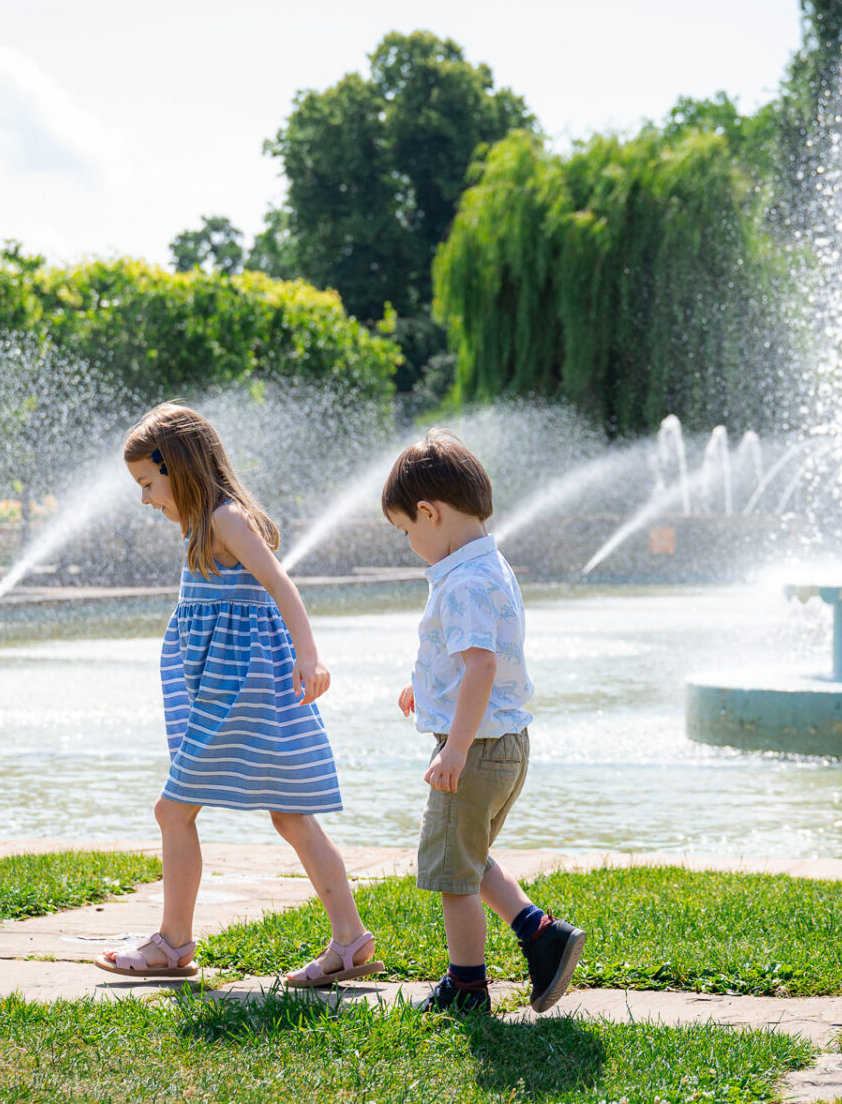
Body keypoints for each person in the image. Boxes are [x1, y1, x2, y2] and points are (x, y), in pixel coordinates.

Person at [97, 402, 380, 987]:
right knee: (290, 815)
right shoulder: (205, 526)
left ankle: (173, 945)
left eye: (148, 483)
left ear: (177, 467)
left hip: (240, 693)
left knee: (174, 809)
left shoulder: (226, 521)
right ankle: (350, 942)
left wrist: (309, 655)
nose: (145, 499)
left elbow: (280, 583)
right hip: (224, 690)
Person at [383, 430, 585, 1015]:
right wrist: (423, 689)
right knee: (467, 856)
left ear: (430, 512)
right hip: (508, 747)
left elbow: (482, 666)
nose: (410, 542)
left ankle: (467, 987)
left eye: (407, 531)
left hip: (475, 749)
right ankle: (541, 933)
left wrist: (454, 750)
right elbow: (469, 660)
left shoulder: (464, 581)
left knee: (453, 877)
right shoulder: (490, 564)